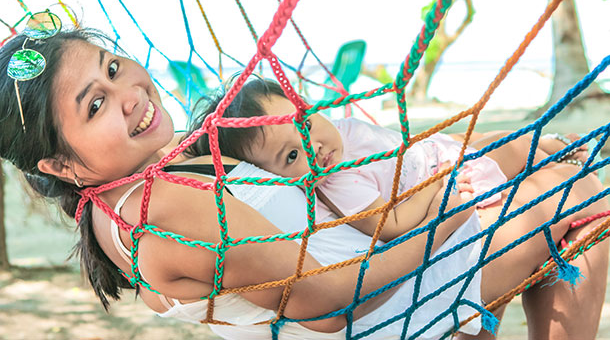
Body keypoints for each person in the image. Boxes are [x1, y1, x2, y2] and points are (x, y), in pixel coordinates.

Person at [0, 19, 607, 340]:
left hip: (392, 280)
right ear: (60, 166)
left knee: (552, 171)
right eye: (95, 105)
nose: (129, 95)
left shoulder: (136, 186)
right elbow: (335, 296)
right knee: (580, 197)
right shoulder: (156, 206)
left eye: (113, 68)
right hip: (395, 308)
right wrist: (444, 219)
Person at [189, 78, 589, 241]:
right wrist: (434, 192)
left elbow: (397, 143)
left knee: (511, 141)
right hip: (445, 176)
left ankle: (557, 145)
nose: (313, 147)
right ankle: (559, 155)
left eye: (306, 124)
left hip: (439, 150)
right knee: (517, 157)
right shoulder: (336, 182)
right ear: (273, 176)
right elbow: (390, 224)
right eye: (293, 155)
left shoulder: (342, 130)